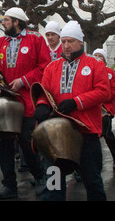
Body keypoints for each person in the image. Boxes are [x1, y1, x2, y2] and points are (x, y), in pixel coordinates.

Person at [34, 21, 111, 201]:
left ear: (80, 42)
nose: (66, 46)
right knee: (54, 181)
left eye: (71, 41)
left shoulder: (94, 64)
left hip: (86, 132)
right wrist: (41, 105)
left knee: (92, 180)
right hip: (56, 133)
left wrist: (77, 102)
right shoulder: (52, 67)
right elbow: (44, 93)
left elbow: (103, 92)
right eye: (64, 41)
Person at [0, 7, 51, 200]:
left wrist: (23, 81)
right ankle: (9, 185)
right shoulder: (1, 42)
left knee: (27, 142)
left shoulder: (35, 39)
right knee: (4, 144)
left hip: (28, 100)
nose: (3, 23)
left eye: (6, 20)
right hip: (7, 102)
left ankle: (41, 177)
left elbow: (45, 67)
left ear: (17, 22)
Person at [93, 48, 115, 170]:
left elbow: (112, 92)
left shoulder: (110, 73)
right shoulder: (91, 71)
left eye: (100, 56)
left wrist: (99, 97)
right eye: (95, 55)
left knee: (105, 135)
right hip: (92, 108)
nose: (97, 57)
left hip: (106, 108)